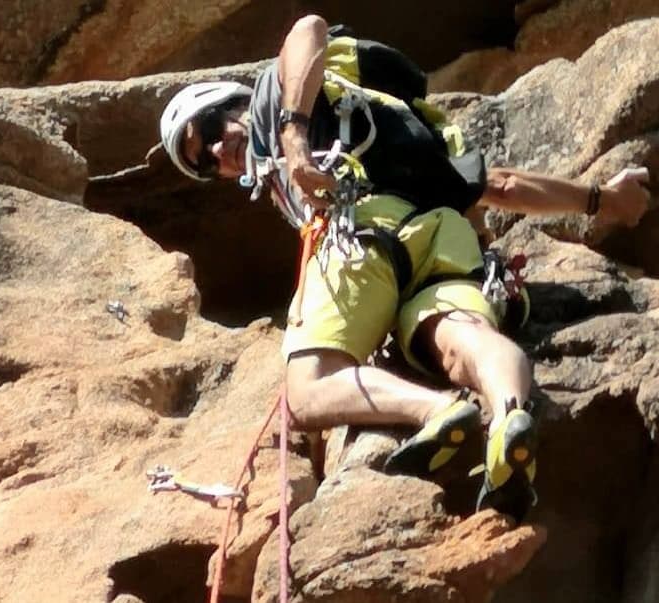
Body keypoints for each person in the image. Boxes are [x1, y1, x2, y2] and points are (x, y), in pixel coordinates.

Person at [159, 15, 651, 518]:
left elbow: (308, 28)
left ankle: (438, 410)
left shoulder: (274, 100)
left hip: (359, 237)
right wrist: (602, 199)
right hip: (444, 237)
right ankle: (508, 414)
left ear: (232, 102)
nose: (218, 150)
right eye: (203, 163)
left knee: (305, 390)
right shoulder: (409, 133)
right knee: (464, 336)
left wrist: (294, 139)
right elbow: (498, 186)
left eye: (212, 128)